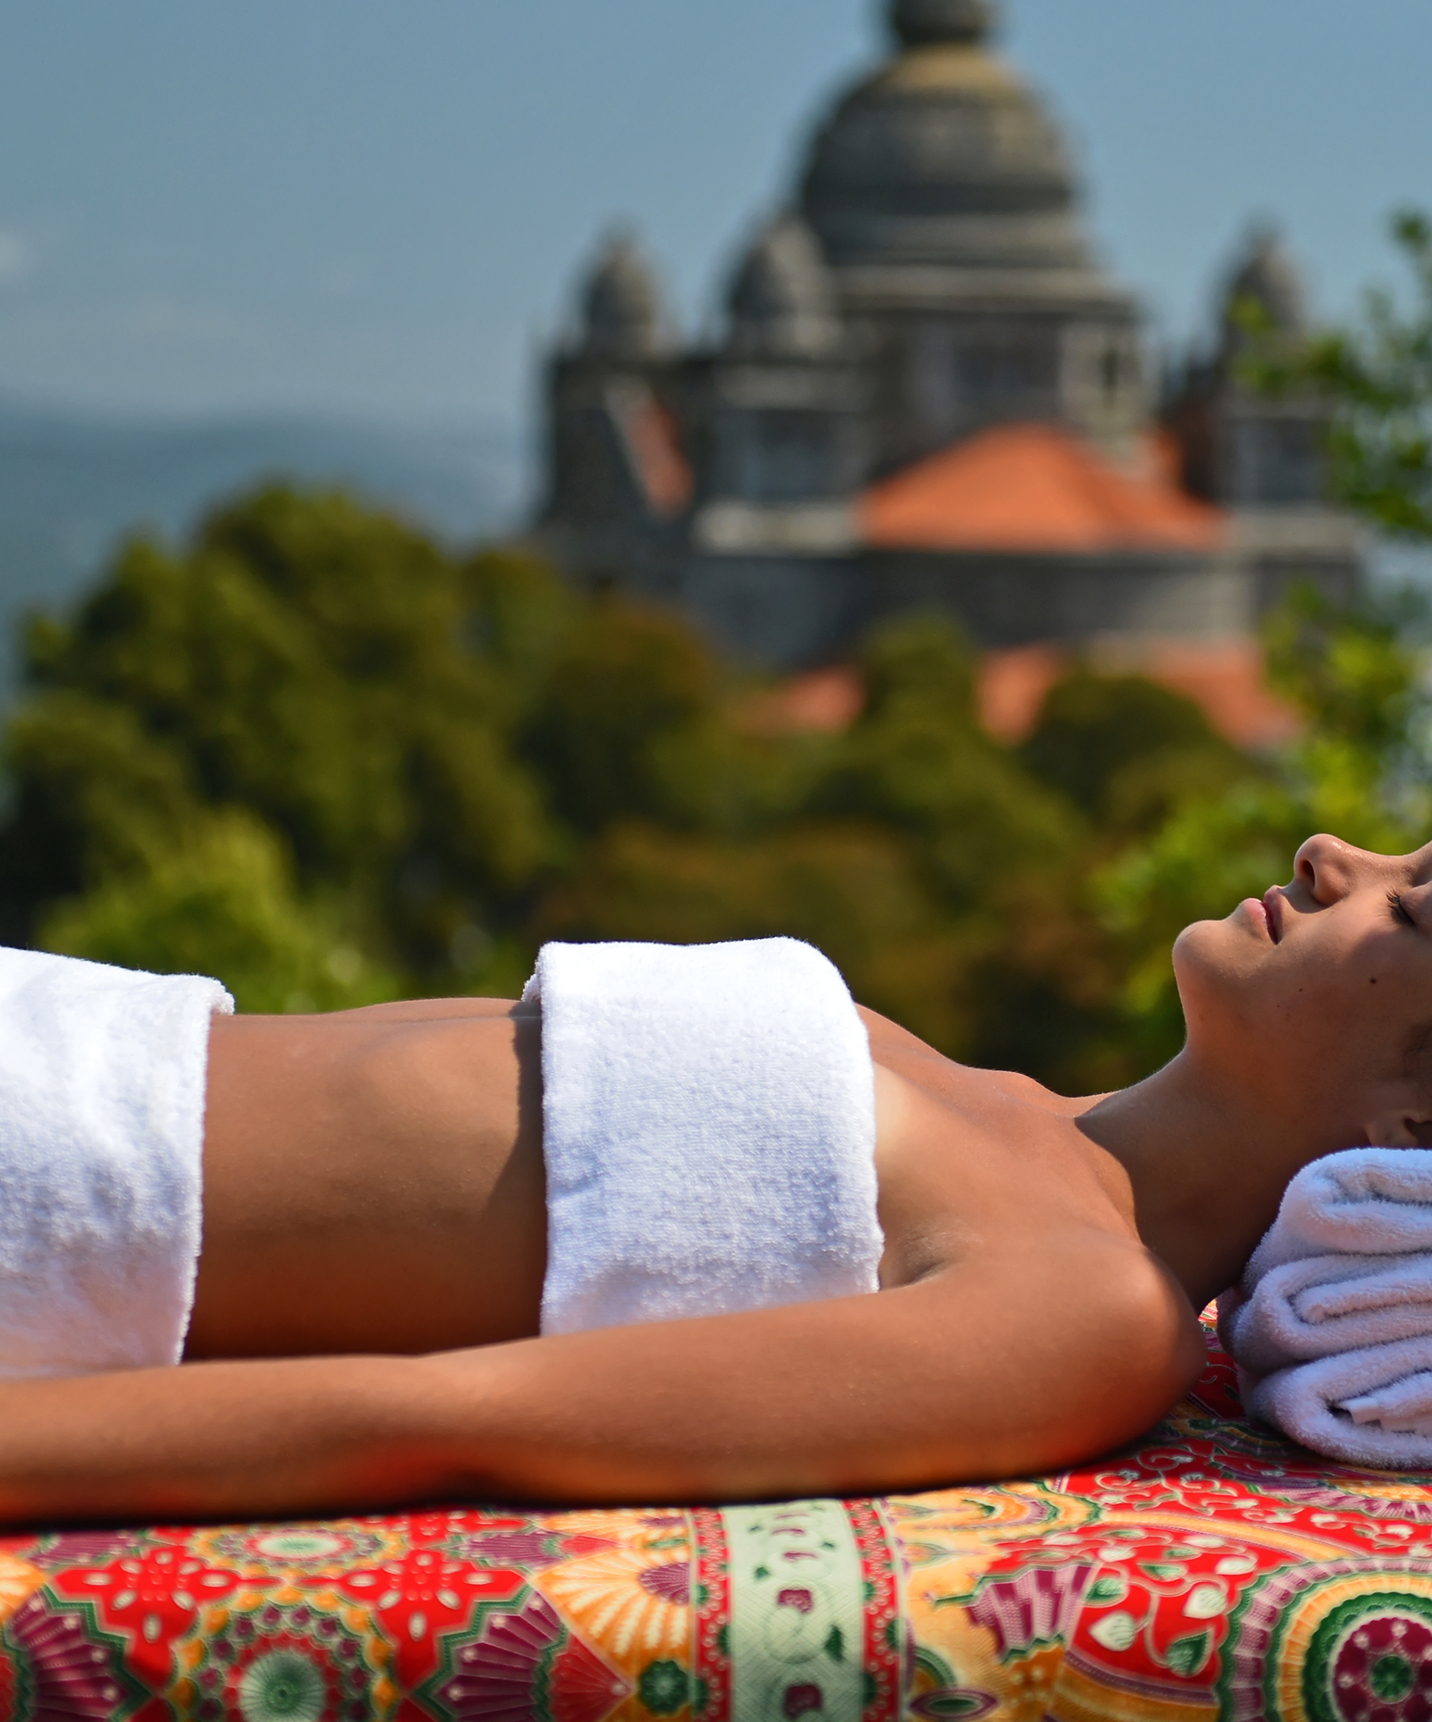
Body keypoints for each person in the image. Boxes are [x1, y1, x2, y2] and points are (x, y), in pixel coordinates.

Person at [1, 829, 1429, 1526]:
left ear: (1412, 1122)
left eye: (1410, 905)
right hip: (80, 1034)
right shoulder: (1007, 1105)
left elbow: (446, 1418)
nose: (1333, 853)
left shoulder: (1088, 1311)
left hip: (67, 1206)